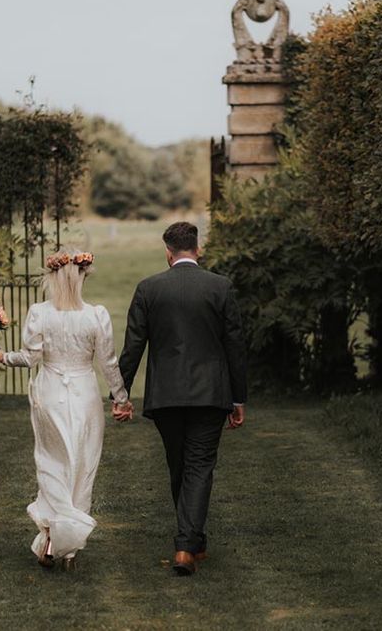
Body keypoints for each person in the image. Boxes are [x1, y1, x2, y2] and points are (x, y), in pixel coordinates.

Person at [114, 221, 247, 576]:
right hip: (210, 393)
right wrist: (238, 398)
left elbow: (133, 347)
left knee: (180, 465)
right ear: (197, 249)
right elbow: (235, 346)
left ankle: (190, 544)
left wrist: (120, 393)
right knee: (198, 467)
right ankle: (189, 545)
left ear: (168, 252)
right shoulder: (221, 287)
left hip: (167, 394)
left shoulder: (149, 288)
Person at [0, 251, 131, 572]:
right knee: (81, 466)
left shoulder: (40, 313)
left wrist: (2, 357)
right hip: (84, 396)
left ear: (52, 279)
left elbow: (30, 357)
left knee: (52, 464)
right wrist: (121, 398)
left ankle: (54, 537)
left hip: (50, 393)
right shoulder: (96, 316)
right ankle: (68, 549)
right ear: (82, 277)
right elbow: (108, 364)